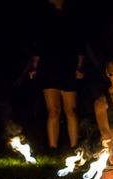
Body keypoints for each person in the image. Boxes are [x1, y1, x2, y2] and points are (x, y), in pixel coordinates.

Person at [28, 0, 86, 155]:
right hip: (49, 67)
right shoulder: (44, 16)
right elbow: (38, 44)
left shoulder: (72, 15)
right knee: (53, 110)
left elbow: (79, 43)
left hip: (68, 65)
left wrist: (80, 66)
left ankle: (74, 147)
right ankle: (53, 148)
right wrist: (34, 66)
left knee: (71, 110)